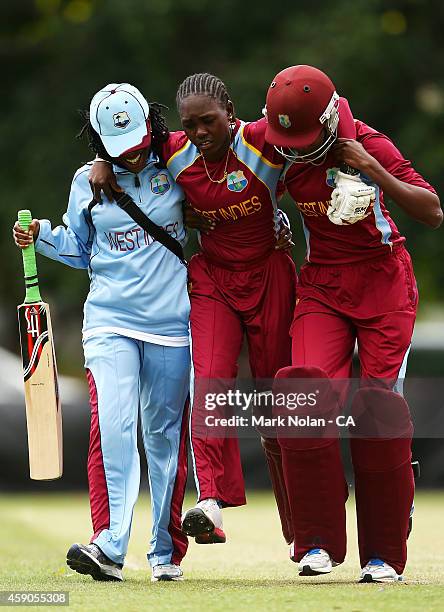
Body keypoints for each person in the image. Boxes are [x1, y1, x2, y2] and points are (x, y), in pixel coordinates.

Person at [89, 72, 357, 548]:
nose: (199, 134)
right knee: (209, 379)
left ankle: (307, 533)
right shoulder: (170, 151)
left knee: (278, 403)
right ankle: (210, 500)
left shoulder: (260, 142)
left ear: (231, 114)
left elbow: (325, 122)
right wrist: (99, 161)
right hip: (212, 277)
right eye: (190, 125)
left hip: (269, 275)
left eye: (209, 122)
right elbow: (126, 143)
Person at [263, 65, 442, 582]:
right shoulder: (280, 141)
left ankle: (384, 551)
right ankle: (316, 539)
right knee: (304, 393)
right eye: (285, 138)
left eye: (302, 138)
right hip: (322, 285)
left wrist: (373, 171)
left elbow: (432, 212)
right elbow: (209, 136)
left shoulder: (370, 144)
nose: (292, 149)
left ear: (325, 121)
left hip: (385, 285)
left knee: (377, 410)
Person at [13, 83, 191, 583]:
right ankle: (109, 545)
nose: (130, 155)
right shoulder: (85, 181)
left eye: (137, 142)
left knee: (162, 438)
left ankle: (164, 551)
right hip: (110, 321)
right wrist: (41, 236)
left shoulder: (178, 163)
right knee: (111, 427)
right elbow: (79, 248)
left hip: (174, 326)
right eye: (118, 149)